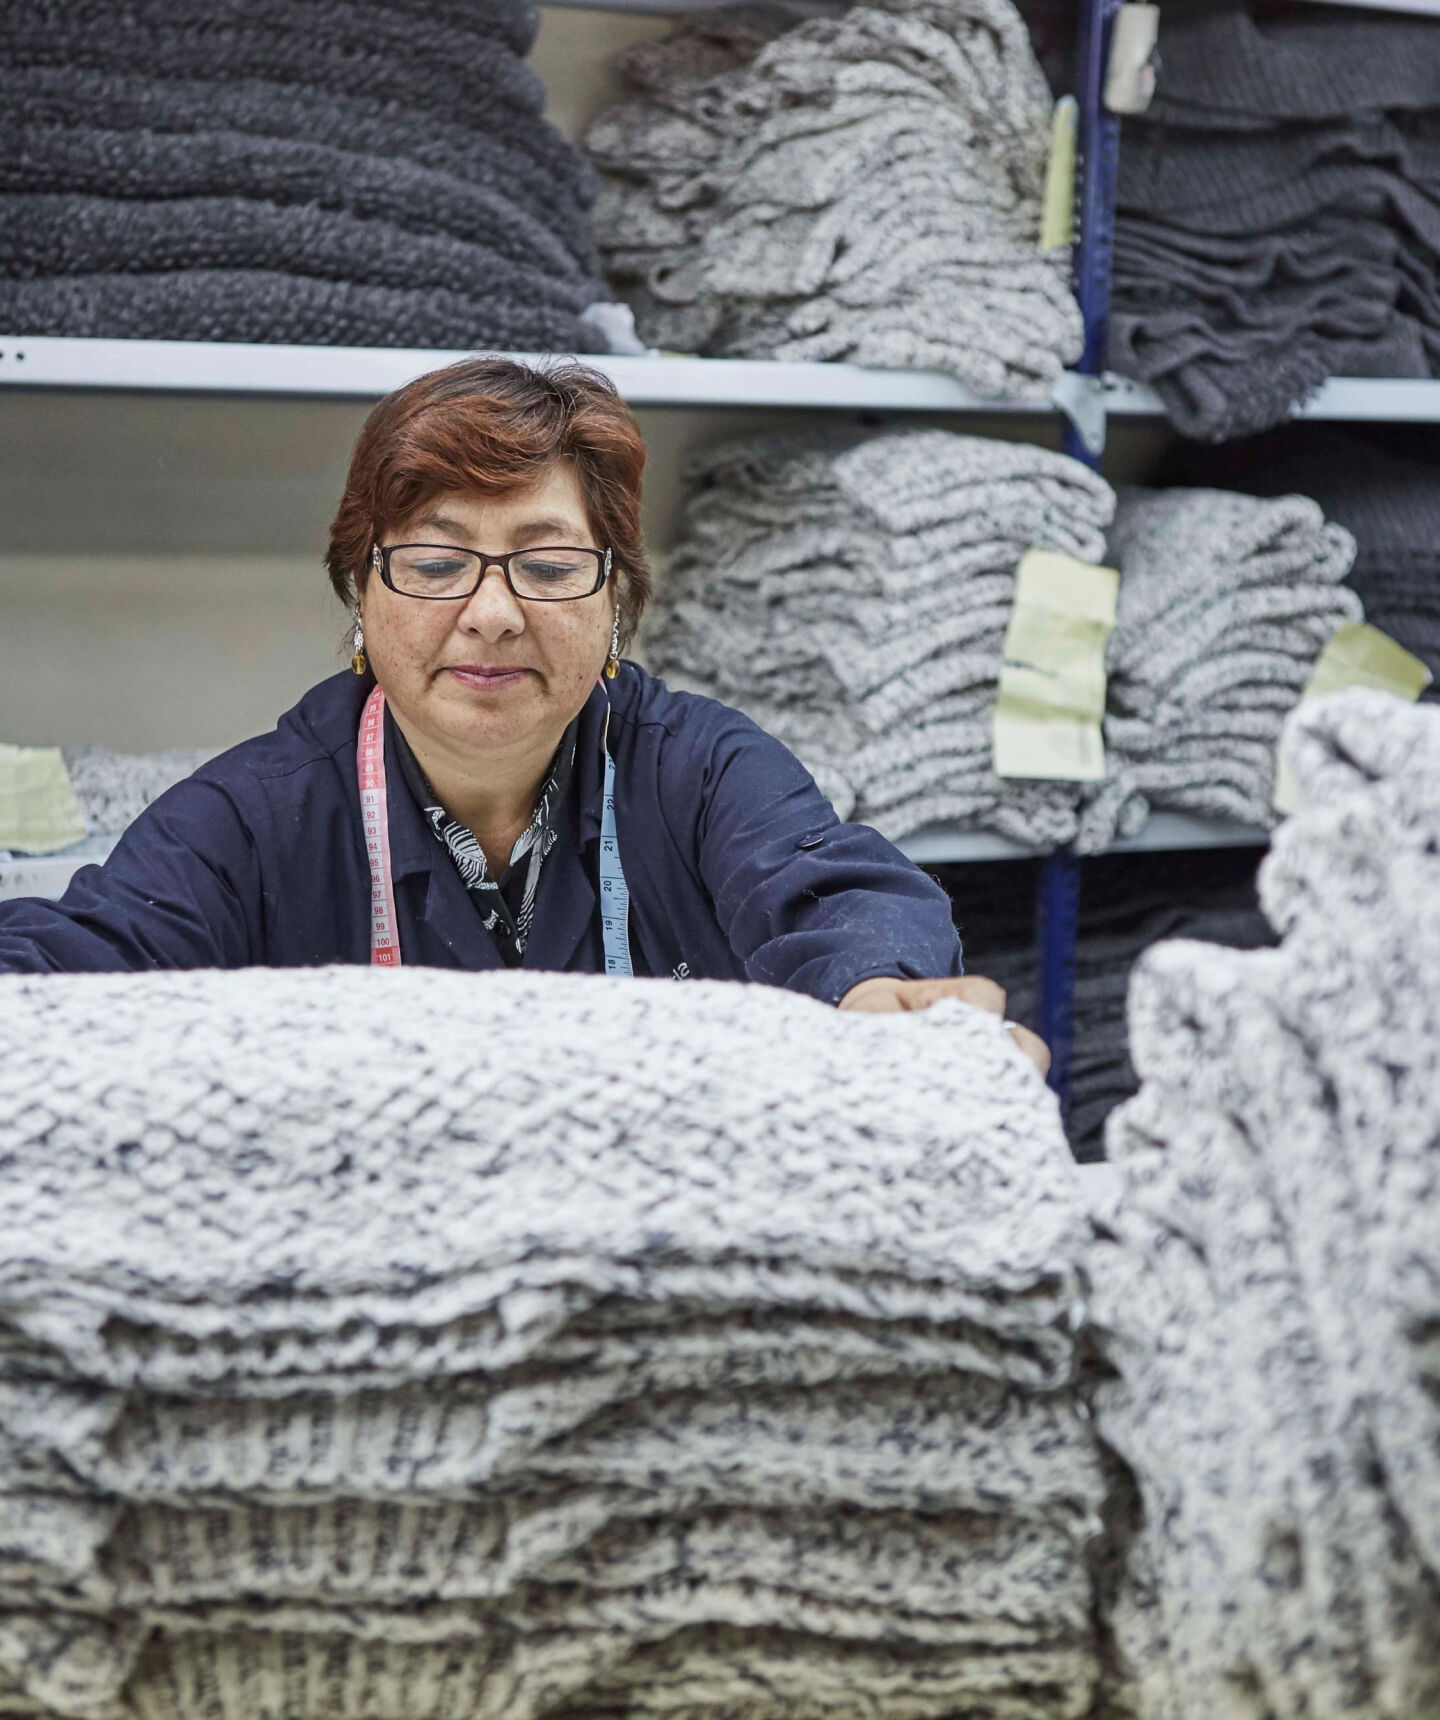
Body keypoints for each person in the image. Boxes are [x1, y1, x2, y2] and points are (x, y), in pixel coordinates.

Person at [0, 358, 1046, 1069]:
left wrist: (876, 994)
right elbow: (78, 966)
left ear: (615, 606)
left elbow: (831, 895)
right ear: (361, 595)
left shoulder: (701, 771)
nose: (493, 613)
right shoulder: (253, 817)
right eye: (438, 562)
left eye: (547, 565)